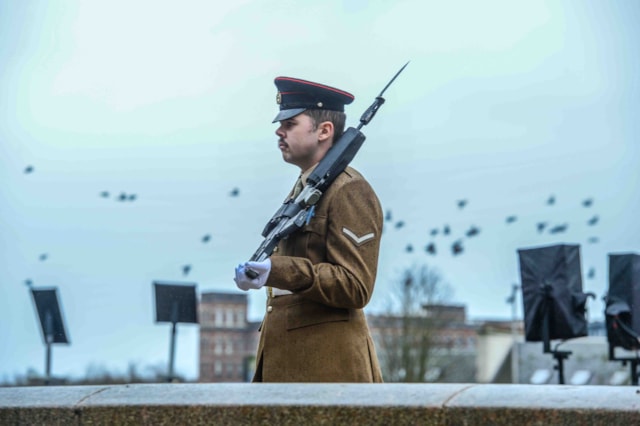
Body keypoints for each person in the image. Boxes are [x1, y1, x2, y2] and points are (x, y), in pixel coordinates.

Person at [234, 75, 384, 383]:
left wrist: (276, 270)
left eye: (290, 124)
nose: (279, 131)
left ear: (324, 131)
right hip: (293, 368)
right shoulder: (306, 187)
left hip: (330, 372)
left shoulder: (349, 190)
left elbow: (355, 285)